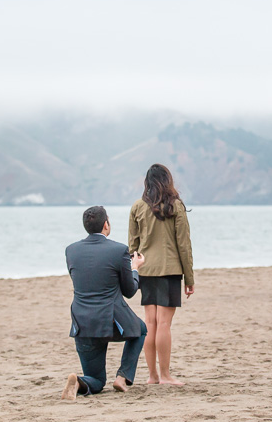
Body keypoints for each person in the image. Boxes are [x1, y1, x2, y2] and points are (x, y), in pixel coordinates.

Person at [61, 205, 147, 400]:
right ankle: (123, 377)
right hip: (112, 320)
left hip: (82, 322)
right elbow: (130, 290)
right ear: (106, 224)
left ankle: (80, 382)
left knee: (97, 380)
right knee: (141, 330)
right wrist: (135, 269)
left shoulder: (71, 250)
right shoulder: (119, 250)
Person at [128, 163, 194, 386]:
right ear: (168, 181)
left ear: (148, 183)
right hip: (169, 269)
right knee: (164, 324)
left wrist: (135, 269)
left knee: (150, 322)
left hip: (145, 269)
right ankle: (165, 376)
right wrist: (189, 278)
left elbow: (132, 246)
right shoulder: (175, 206)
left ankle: (152, 376)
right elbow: (183, 244)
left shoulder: (137, 206)